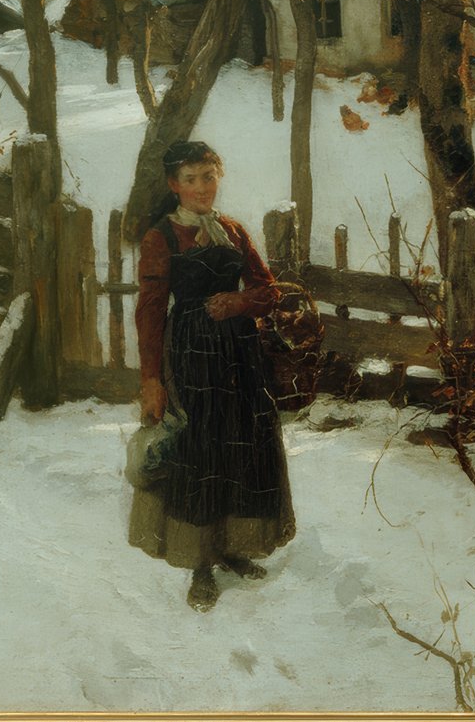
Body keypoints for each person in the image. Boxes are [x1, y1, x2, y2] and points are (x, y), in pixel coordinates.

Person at [129, 140, 295, 611]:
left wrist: (239, 302)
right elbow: (150, 310)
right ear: (173, 185)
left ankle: (235, 547)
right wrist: (151, 380)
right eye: (191, 179)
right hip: (190, 357)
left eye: (208, 176)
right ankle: (201, 565)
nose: (202, 187)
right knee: (201, 451)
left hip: (240, 356)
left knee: (243, 443)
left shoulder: (233, 231)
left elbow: (270, 292)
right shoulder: (160, 237)